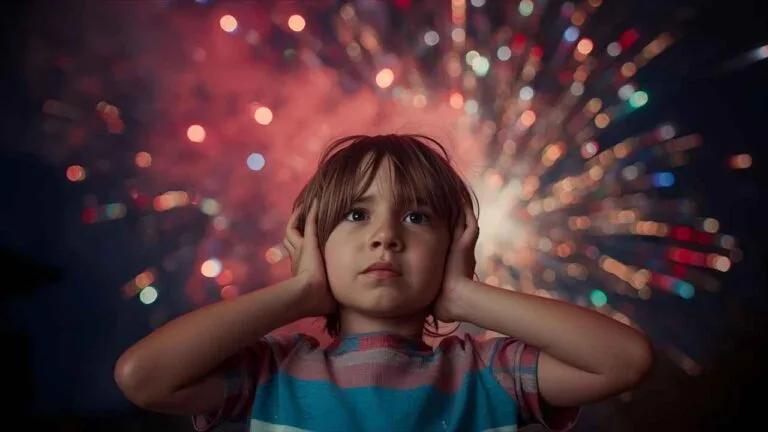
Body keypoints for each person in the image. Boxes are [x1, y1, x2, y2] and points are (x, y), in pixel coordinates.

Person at [114, 134, 653, 431]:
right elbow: (144, 378)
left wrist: (463, 295)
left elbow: (624, 361)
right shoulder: (273, 374)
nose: (386, 236)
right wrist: (300, 290)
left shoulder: (489, 373)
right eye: (355, 215)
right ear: (311, 241)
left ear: (453, 246)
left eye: (417, 218)